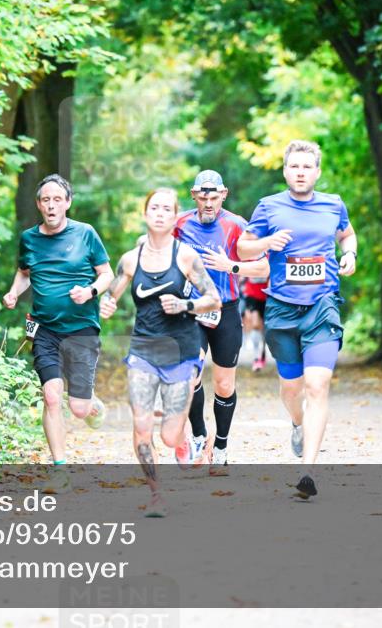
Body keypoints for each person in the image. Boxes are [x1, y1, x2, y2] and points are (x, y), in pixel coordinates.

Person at [237, 140, 357, 499]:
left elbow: (347, 235)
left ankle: (307, 470)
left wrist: (349, 253)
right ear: (285, 170)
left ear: (317, 172)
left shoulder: (333, 204)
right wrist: (267, 242)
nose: (301, 172)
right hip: (282, 309)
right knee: (292, 389)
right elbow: (243, 247)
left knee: (317, 386)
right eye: (295, 166)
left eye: (308, 166)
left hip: (322, 306)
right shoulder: (269, 207)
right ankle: (296, 422)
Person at [100, 188, 221, 516]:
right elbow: (112, 293)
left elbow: (214, 299)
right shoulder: (130, 259)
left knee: (169, 436)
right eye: (154, 207)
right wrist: (107, 303)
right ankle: (156, 494)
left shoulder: (185, 257)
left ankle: (184, 441)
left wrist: (185, 304)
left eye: (167, 209)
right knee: (141, 425)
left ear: (175, 216)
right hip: (143, 350)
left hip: (180, 352)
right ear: (145, 213)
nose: (159, 213)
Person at [3, 174, 114, 485]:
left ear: (67, 203)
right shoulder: (29, 239)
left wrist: (91, 291)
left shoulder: (86, 234)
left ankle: (91, 406)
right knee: (52, 396)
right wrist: (14, 292)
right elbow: (24, 273)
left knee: (78, 409)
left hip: (81, 328)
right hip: (44, 329)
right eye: (45, 200)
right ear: (39, 205)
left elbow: (106, 274)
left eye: (57, 200)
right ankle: (60, 470)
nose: (51, 205)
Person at [175, 170, 267, 475]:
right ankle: (200, 435)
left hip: (226, 310)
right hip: (193, 311)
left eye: (214, 197)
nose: (208, 203)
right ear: (194, 196)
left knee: (225, 384)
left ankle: (222, 444)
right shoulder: (180, 224)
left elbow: (265, 266)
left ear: (223, 195)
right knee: (190, 375)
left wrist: (232, 266)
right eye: (203, 198)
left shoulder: (238, 225)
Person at [242, 273, 269, 371]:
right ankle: (256, 357)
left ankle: (262, 353)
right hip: (252, 295)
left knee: (266, 329)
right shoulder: (248, 257)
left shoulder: (270, 257)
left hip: (267, 296)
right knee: (255, 324)